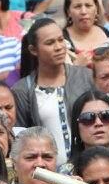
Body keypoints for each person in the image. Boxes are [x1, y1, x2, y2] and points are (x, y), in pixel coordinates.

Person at [11, 19, 94, 166]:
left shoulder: (86, 77)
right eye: (50, 43)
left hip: (90, 165)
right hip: (49, 174)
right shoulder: (22, 90)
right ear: (33, 50)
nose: (58, 47)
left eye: (61, 40)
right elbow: (21, 137)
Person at [61, 0, 109, 65]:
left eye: (88, 6)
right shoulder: (61, 40)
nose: (83, 11)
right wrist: (76, 66)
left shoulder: (106, 32)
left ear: (96, 9)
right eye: (77, 6)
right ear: (68, 12)